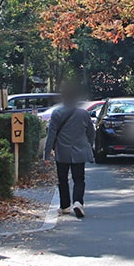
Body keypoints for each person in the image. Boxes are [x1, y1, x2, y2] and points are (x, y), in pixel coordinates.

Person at [44, 83, 95, 218]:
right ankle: (78, 202)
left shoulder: (57, 113)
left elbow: (51, 135)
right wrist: (89, 144)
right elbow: (91, 131)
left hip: (62, 151)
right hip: (80, 150)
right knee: (79, 178)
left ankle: (65, 206)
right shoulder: (84, 114)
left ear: (63, 98)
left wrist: (46, 154)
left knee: (63, 179)